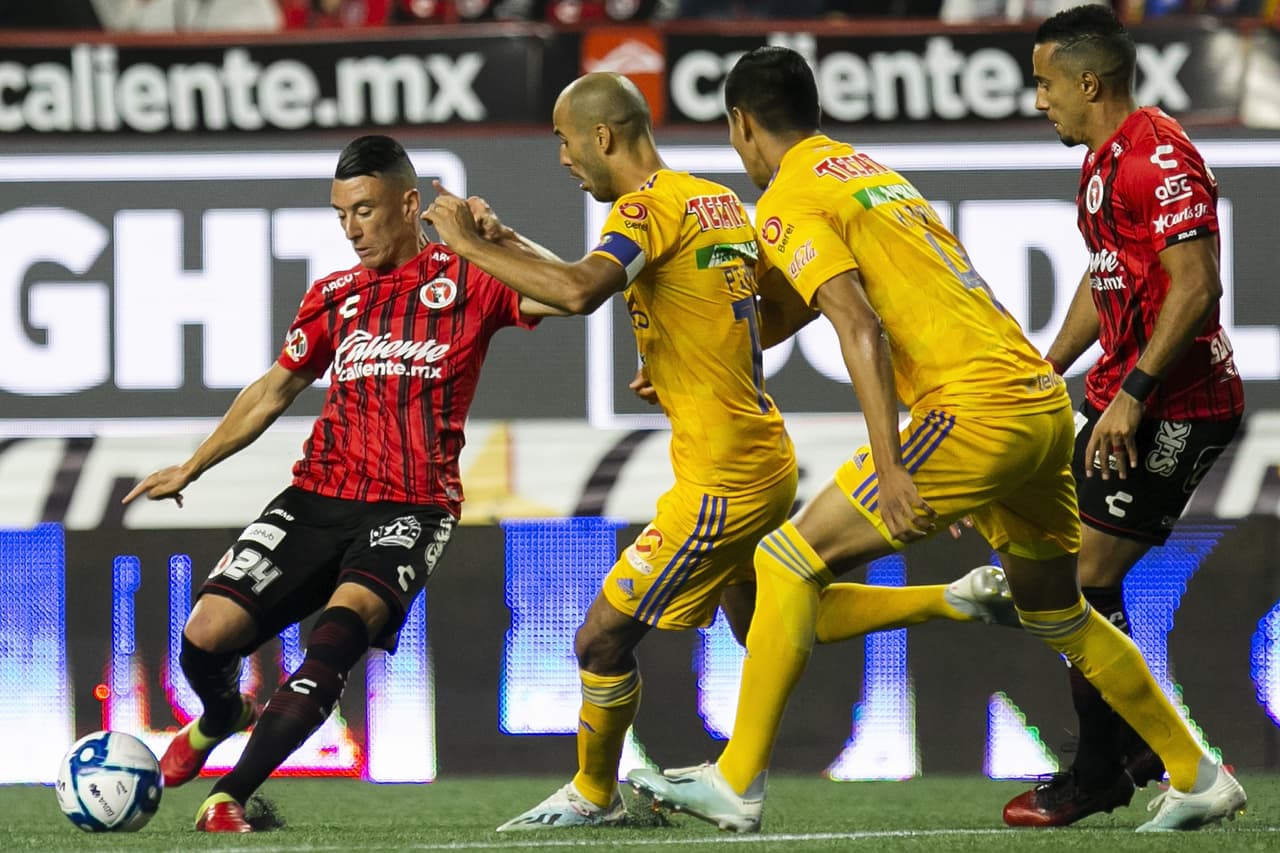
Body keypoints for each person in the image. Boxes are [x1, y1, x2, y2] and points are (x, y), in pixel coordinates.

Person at [626, 45, 1247, 834]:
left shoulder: (787, 198)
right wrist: (698, 357)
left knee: (782, 560)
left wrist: (892, 462)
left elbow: (857, 326)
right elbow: (787, 313)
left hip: (974, 410)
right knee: (1059, 612)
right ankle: (1197, 774)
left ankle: (736, 780)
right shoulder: (864, 172)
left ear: (740, 125)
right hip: (1037, 403)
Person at [423, 71, 1013, 832]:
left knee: (600, 637)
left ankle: (594, 794)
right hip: (759, 451)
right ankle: (954, 596)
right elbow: (735, 302)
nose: (563, 159)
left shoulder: (644, 211)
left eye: (567, 143)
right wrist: (512, 248)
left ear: (603, 136)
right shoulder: (714, 199)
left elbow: (575, 292)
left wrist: (468, 245)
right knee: (766, 617)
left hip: (721, 481)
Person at [121, 135, 559, 832]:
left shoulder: (471, 275)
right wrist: (194, 463)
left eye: (365, 210)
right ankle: (222, 712)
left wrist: (502, 239)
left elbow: (568, 295)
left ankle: (228, 794)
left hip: (412, 505)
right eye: (341, 215)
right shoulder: (336, 295)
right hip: (318, 494)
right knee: (205, 635)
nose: (353, 229)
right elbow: (274, 389)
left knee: (335, 638)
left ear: (409, 203)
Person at [997, 4, 1246, 827]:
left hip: (1178, 406)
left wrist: (1133, 395)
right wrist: (1049, 368)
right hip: (1120, 398)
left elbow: (1197, 285)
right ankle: (1141, 747)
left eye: (1045, 84)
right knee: (1069, 579)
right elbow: (1106, 274)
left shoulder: (1158, 156)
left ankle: (1103, 771)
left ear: (1089, 82)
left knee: (1082, 582)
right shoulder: (1104, 162)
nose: (1040, 101)